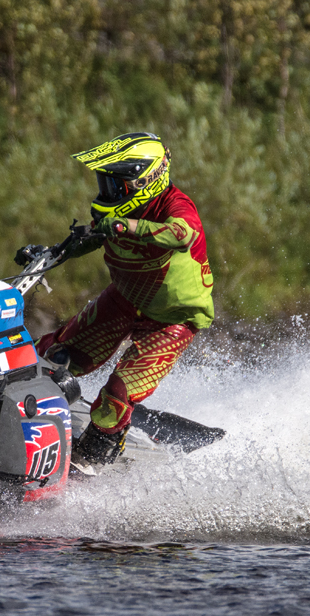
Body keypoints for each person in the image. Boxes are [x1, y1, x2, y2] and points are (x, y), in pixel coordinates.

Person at [35, 132, 214, 466]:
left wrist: (126, 227)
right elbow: (91, 237)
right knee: (49, 359)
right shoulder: (115, 213)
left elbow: (183, 233)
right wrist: (52, 253)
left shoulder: (175, 205)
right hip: (124, 300)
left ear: (144, 180)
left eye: (114, 185)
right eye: (105, 184)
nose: (107, 192)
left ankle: (92, 463)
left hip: (173, 319)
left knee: (115, 396)